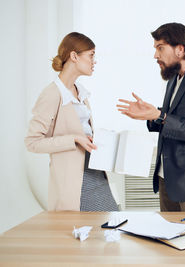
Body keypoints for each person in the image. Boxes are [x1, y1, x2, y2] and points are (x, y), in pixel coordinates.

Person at [117, 23, 185, 211]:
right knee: (168, 237)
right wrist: (151, 115)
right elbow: (175, 117)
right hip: (166, 176)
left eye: (160, 48)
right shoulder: (173, 79)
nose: (155, 55)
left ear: (180, 49)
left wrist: (159, 115)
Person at [25, 32, 119, 212]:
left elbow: (81, 130)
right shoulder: (52, 94)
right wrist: (73, 139)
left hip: (95, 172)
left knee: (110, 226)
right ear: (74, 56)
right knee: (89, 232)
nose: (95, 61)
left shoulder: (80, 93)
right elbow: (32, 143)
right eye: (91, 55)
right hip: (74, 181)